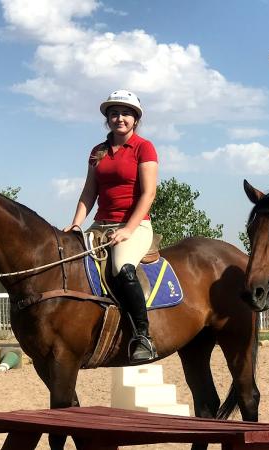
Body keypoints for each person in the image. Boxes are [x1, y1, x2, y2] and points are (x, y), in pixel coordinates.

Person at [65, 90, 158, 362]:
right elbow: (88, 192)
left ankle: (143, 335)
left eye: (126, 113)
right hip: (100, 224)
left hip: (135, 225)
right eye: (114, 113)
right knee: (72, 262)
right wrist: (76, 224)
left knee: (121, 267)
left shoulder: (144, 147)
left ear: (136, 119)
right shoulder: (98, 151)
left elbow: (148, 193)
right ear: (108, 119)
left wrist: (128, 229)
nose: (120, 118)